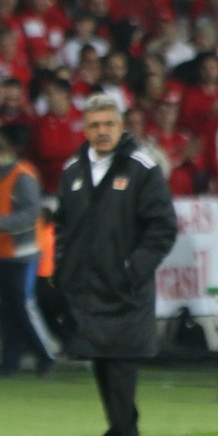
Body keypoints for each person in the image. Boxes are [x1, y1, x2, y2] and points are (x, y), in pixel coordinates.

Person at [54, 94, 177, 436]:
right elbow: (63, 226)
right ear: (85, 129)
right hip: (88, 290)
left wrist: (132, 268)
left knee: (121, 371)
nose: (102, 130)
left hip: (125, 291)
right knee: (102, 367)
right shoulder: (73, 170)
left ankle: (122, 431)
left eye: (109, 123)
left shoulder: (142, 168)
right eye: (95, 125)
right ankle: (122, 430)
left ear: (122, 126)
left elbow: (163, 227)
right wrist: (63, 270)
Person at [0, 131, 55, 377]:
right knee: (8, 310)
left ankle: (47, 355)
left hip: (23, 252)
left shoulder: (22, 177)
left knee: (24, 307)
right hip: (3, 251)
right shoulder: (0, 178)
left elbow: (30, 215)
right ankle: (9, 361)